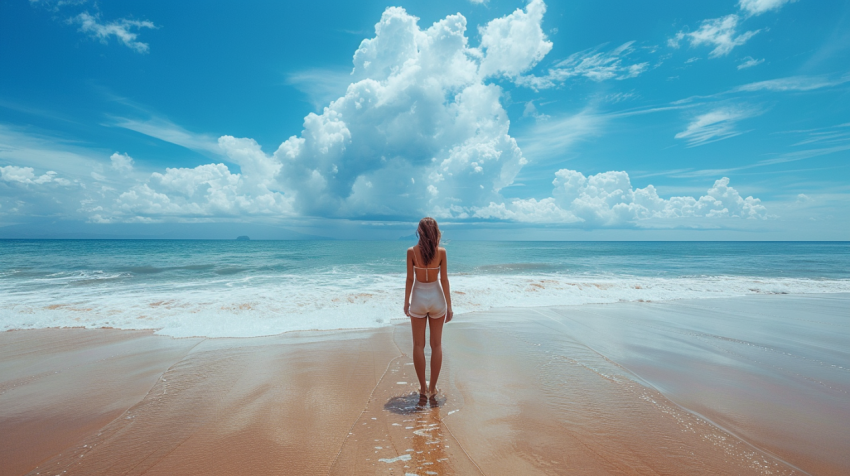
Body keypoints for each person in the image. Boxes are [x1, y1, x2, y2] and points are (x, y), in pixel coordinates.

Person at [404, 217, 453, 402]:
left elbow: (409, 279)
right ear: (436, 232)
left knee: (418, 345)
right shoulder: (441, 252)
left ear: (420, 231)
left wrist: (406, 302)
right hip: (436, 298)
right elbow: (444, 280)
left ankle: (423, 389)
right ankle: (433, 388)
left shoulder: (412, 252)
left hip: (418, 297)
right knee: (437, 345)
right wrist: (449, 306)